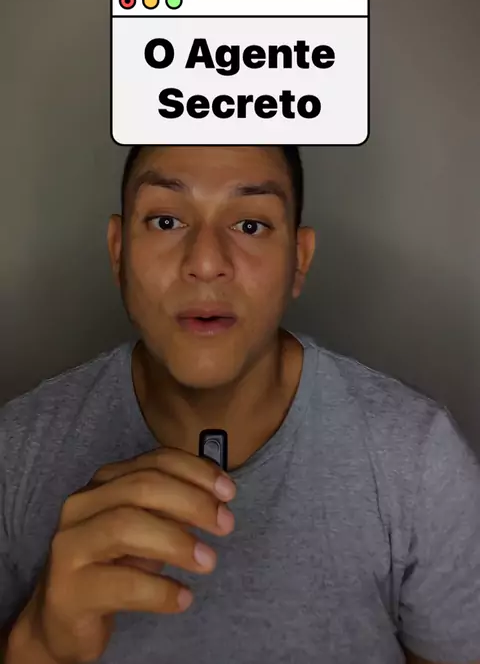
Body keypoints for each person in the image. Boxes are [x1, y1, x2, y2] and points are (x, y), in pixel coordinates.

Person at [1, 145, 479, 664]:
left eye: (250, 225)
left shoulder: (419, 459)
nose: (206, 263)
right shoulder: (14, 452)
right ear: (118, 251)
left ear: (299, 260)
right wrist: (37, 646)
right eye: (165, 221)